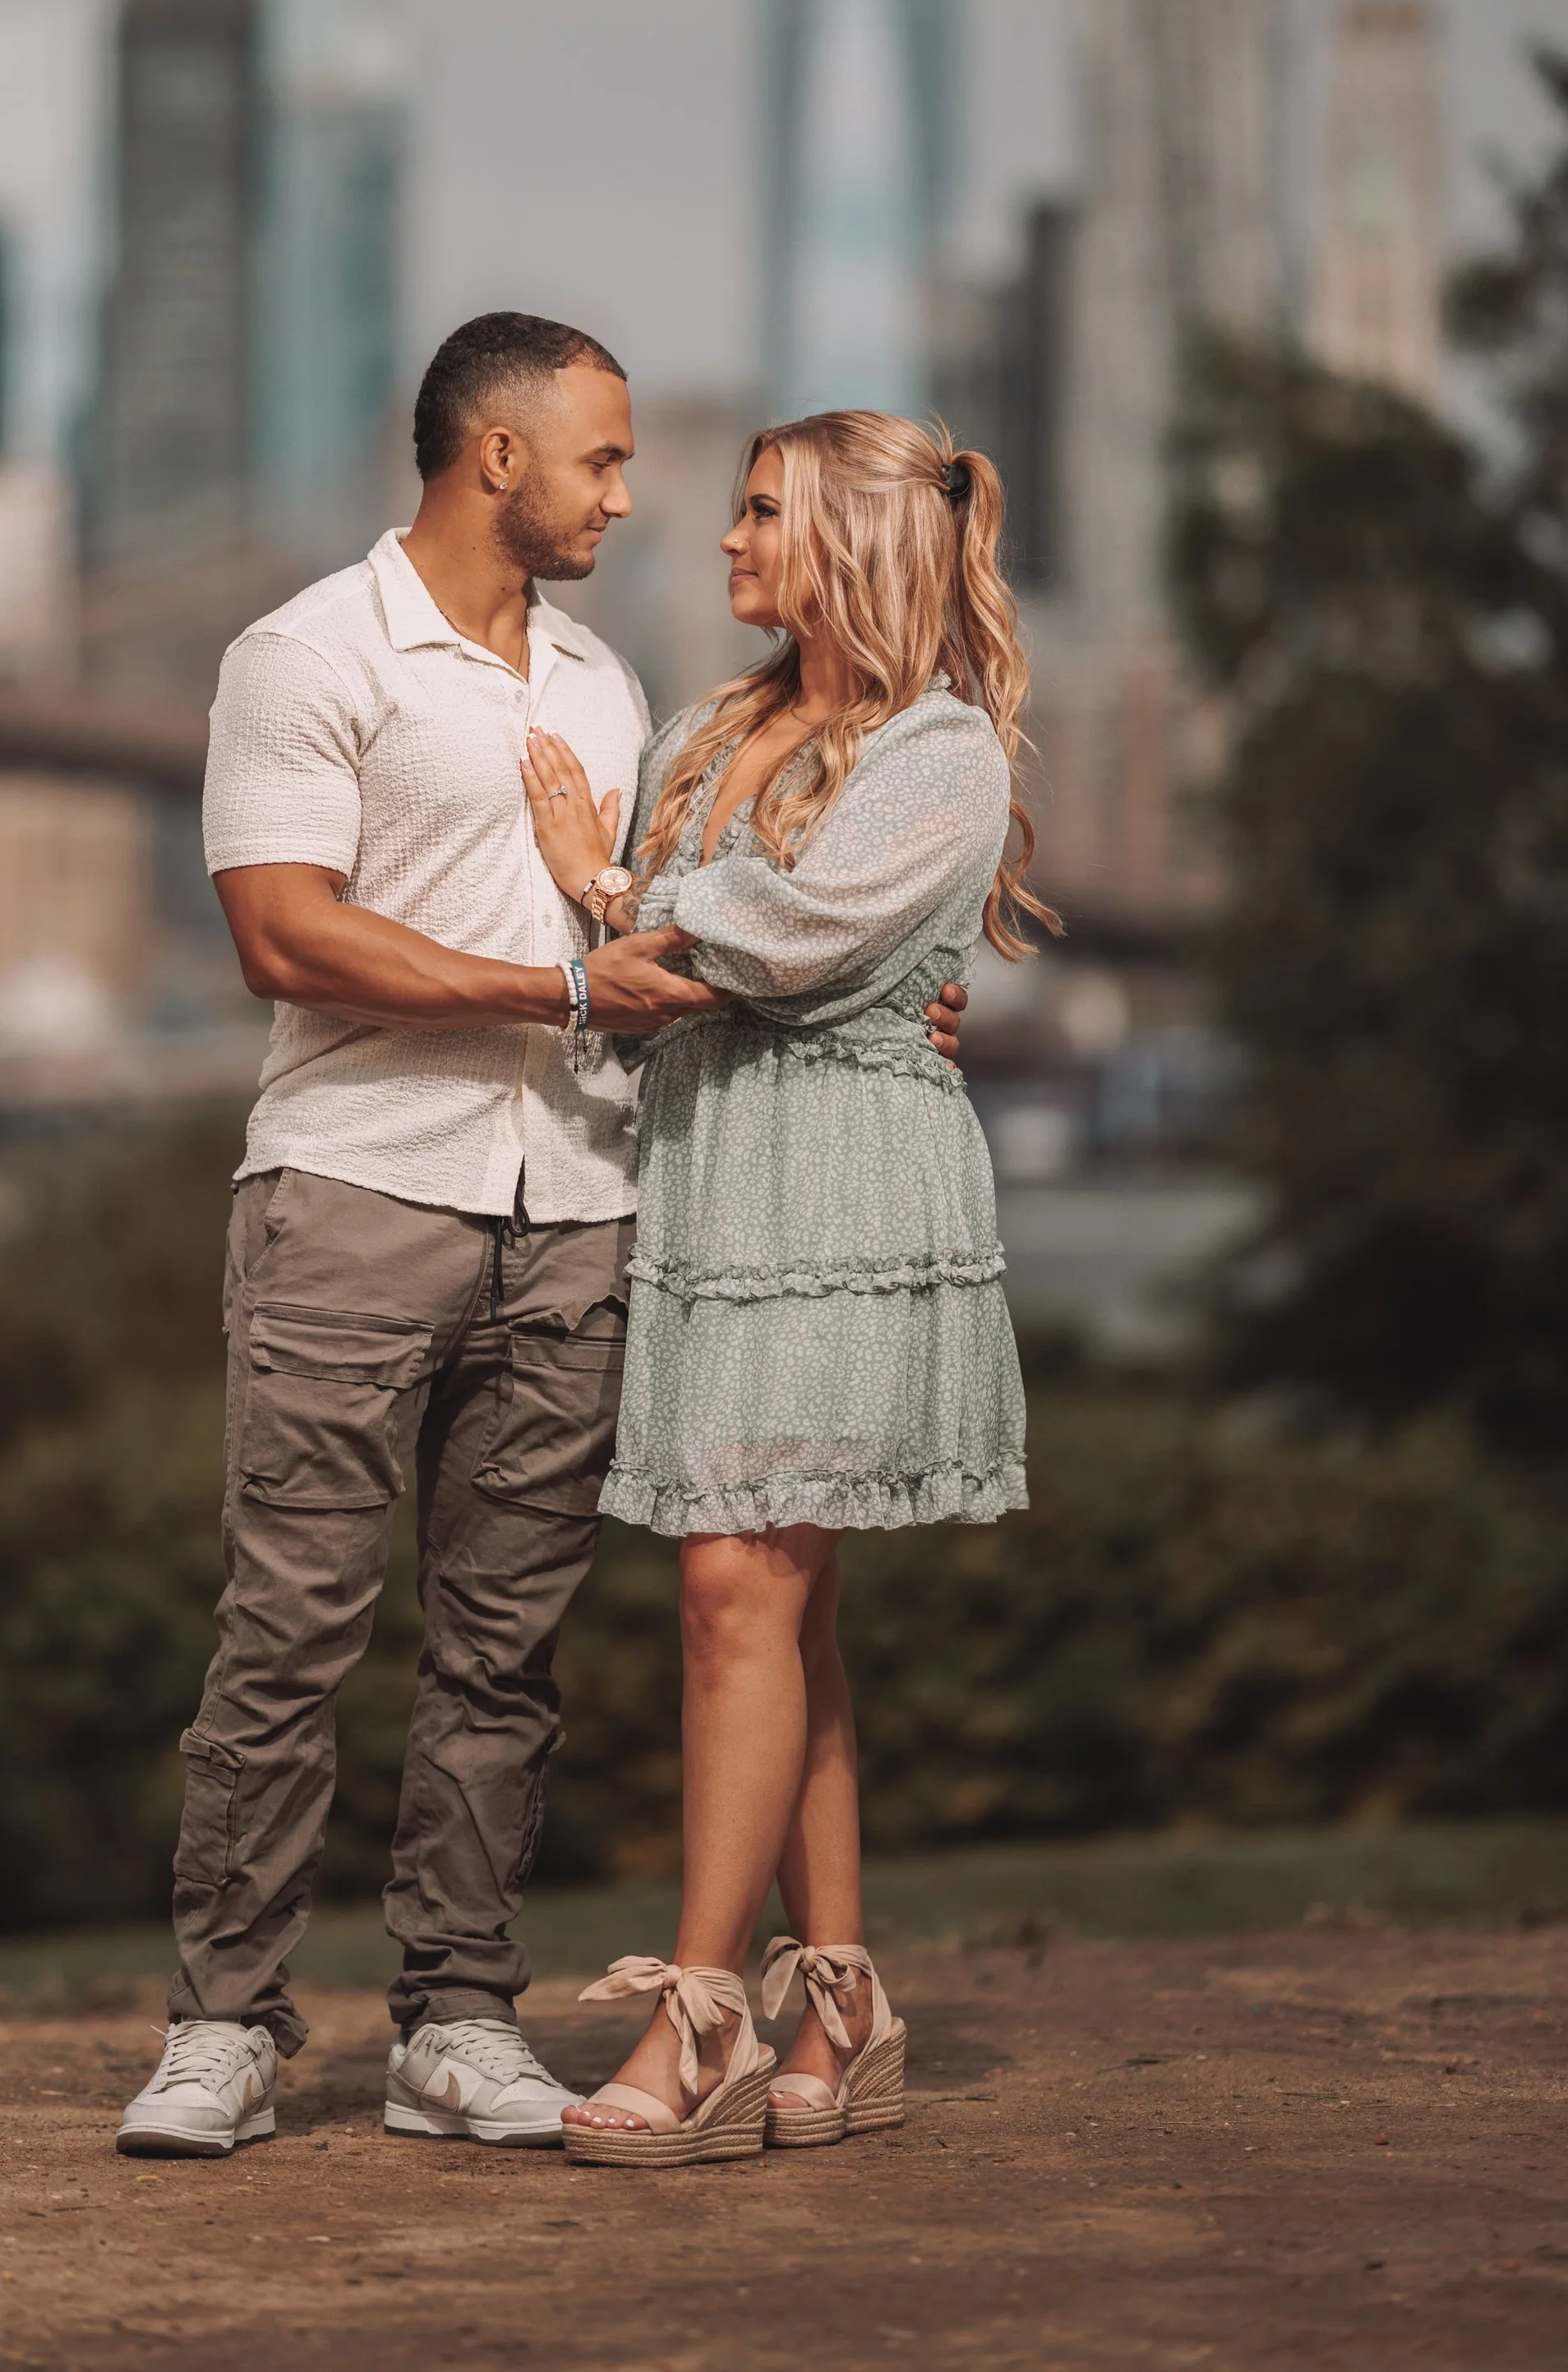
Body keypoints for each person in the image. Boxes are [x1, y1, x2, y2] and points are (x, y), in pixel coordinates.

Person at [116, 321, 966, 2161]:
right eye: (599, 459)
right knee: (289, 1630)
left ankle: (456, 2020)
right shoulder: (303, 654)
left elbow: (723, 923)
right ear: (494, 457)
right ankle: (225, 2025)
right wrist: (563, 987)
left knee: (503, 1654)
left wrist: (900, 1003)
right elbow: (284, 934)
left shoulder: (609, 688)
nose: (625, 493)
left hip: (582, 1211)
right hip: (356, 1184)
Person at [513, 408, 1049, 2167]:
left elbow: (772, 938)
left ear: (848, 539)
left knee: (733, 1595)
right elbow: (686, 945)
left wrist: (615, 885)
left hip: (842, 1193)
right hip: (716, 1181)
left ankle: (699, 2011)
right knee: (787, 1607)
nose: (720, 538)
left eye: (757, 511)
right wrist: (649, 916)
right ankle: (840, 1995)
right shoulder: (711, 725)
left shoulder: (944, 752)